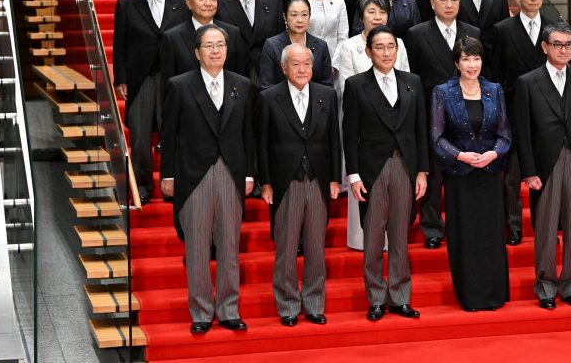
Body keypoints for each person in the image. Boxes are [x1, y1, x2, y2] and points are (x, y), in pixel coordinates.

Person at [159, 24, 254, 333]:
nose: (216, 50)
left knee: (229, 245)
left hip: (231, 172)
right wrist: (169, 175)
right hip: (193, 174)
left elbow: (247, 135)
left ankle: (228, 310)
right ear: (197, 53)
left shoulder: (241, 85)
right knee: (197, 247)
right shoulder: (179, 85)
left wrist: (250, 172)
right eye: (209, 46)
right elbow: (169, 135)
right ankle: (201, 312)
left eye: (221, 45)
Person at [342, 26, 429, 322]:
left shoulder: (412, 82)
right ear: (369, 52)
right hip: (372, 168)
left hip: (405, 166)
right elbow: (349, 132)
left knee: (401, 235)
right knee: (374, 235)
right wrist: (352, 175)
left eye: (390, 46)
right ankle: (376, 298)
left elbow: (420, 130)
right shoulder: (356, 85)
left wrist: (422, 171)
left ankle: (400, 297)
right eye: (379, 47)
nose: (386, 52)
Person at [514, 21, 571, 310]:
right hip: (545, 164)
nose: (564, 49)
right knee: (547, 227)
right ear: (545, 47)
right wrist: (528, 172)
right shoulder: (528, 82)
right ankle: (546, 286)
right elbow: (522, 132)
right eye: (558, 44)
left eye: (568, 44)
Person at [258, 43, 341, 327]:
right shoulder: (269, 98)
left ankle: (315, 304)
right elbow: (263, 145)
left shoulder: (326, 95)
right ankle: (288, 305)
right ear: (284, 68)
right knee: (287, 247)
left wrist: (334, 179)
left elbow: (334, 140)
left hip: (318, 180)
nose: (303, 69)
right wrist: (265, 183)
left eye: (307, 63)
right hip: (285, 182)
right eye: (296, 64)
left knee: (317, 248)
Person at [430, 36, 511, 311]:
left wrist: (493, 153)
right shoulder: (443, 91)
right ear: (457, 62)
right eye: (466, 59)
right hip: (459, 175)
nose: (472, 64)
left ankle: (493, 295)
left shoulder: (494, 89)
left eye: (476, 58)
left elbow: (505, 134)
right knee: (465, 236)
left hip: (488, 173)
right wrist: (460, 155)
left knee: (490, 235)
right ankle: (470, 296)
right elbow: (437, 137)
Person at [404, 0, 480, 249]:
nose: (449, 5)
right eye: (443, 0)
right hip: (430, 113)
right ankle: (432, 227)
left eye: (454, 0)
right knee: (433, 173)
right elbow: (412, 78)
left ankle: (465, 225)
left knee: (464, 171)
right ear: (432, 3)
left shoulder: (472, 32)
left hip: (467, 112)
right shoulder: (416, 34)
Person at [332, 0, 410, 251]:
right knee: (363, 185)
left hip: (395, 122)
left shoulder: (398, 42)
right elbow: (345, 86)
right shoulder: (348, 46)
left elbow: (406, 82)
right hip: (362, 124)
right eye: (371, 12)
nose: (377, 17)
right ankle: (359, 240)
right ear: (362, 16)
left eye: (382, 12)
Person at [113, 0, 189, 205]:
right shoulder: (126, 3)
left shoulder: (179, 1)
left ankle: (172, 185)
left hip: (173, 75)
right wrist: (121, 79)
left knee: (174, 133)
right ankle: (142, 186)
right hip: (141, 76)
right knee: (141, 137)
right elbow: (120, 44)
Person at [491, 0, 552, 246]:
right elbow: (496, 75)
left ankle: (545, 227)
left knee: (546, 174)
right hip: (514, 112)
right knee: (512, 177)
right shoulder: (503, 29)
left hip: (547, 114)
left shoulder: (554, 29)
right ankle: (512, 227)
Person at [160, 0, 246, 95]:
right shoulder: (172, 38)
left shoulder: (232, 33)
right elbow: (167, 84)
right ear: (189, 4)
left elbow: (240, 77)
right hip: (187, 106)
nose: (208, 3)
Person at [215, 0, 285, 86]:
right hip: (232, 73)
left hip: (266, 74)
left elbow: (279, 40)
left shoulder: (274, 1)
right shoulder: (219, 2)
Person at [259, 0, 333, 90]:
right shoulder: (272, 46)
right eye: (294, 15)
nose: (299, 20)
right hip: (281, 102)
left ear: (310, 16)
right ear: (285, 17)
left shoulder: (321, 46)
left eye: (304, 15)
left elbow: (328, 86)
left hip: (313, 102)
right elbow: (266, 87)